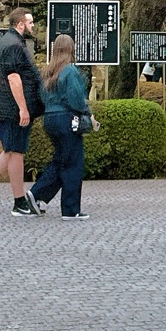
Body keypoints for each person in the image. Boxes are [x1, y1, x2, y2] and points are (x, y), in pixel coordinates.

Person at [0, 8, 44, 217]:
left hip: (8, 107)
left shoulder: (11, 42)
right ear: (20, 24)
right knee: (16, 152)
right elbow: (14, 78)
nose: (33, 26)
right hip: (12, 109)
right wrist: (23, 108)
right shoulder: (13, 45)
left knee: (12, 150)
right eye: (30, 22)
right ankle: (18, 201)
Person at [30, 34, 96, 221]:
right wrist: (87, 112)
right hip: (67, 119)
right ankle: (70, 209)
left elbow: (43, 98)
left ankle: (36, 194)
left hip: (50, 119)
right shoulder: (70, 71)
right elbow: (75, 98)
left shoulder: (47, 72)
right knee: (74, 163)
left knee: (60, 160)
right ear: (71, 49)